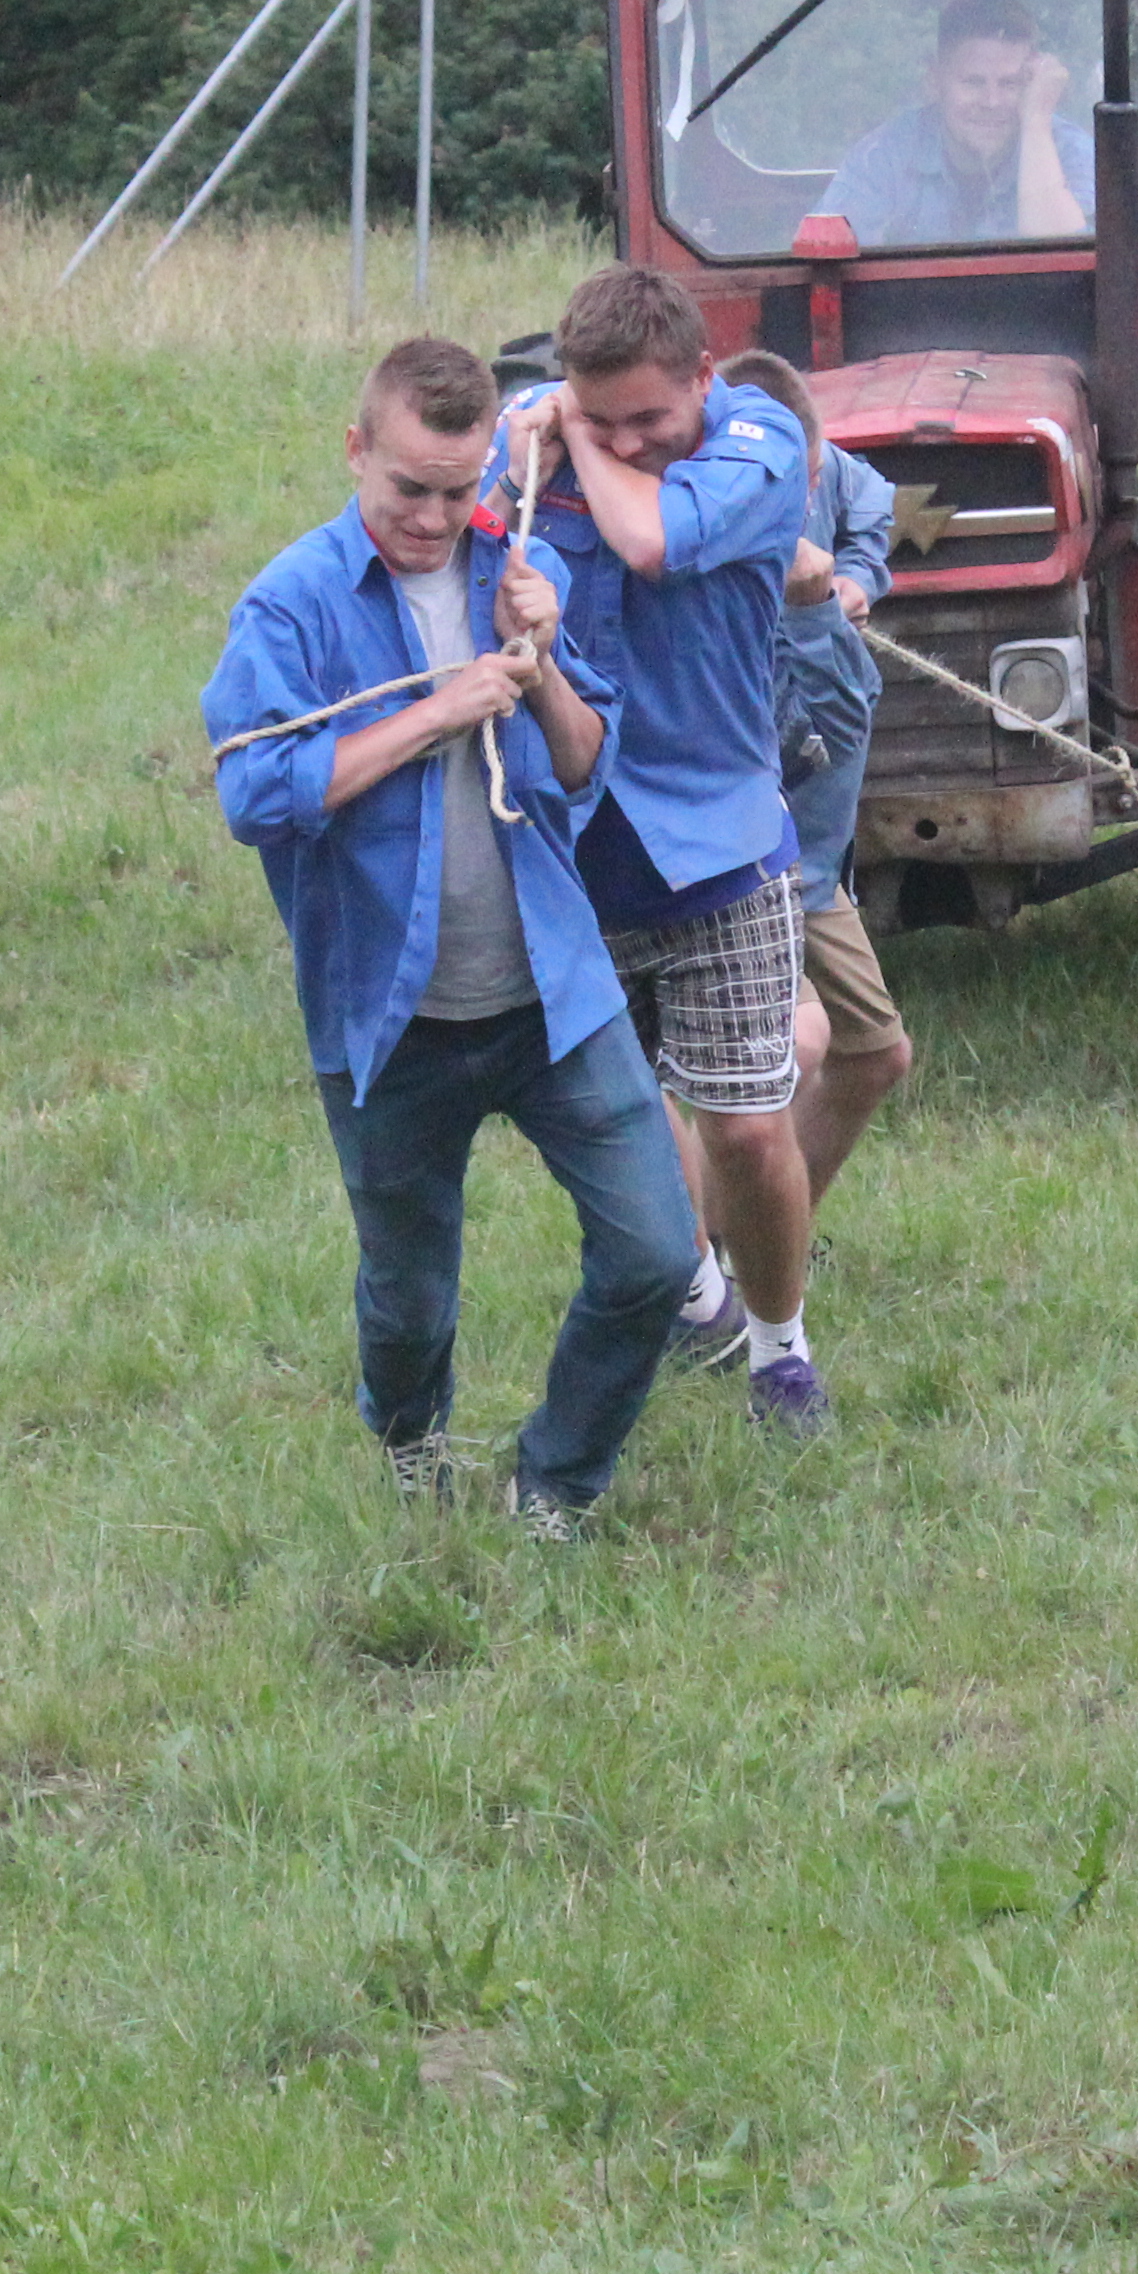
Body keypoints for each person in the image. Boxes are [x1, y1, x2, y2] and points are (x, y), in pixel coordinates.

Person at [201, 336, 689, 1539]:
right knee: (410, 1304)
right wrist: (438, 713)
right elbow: (254, 796)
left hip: (552, 997)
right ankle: (413, 1457)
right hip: (390, 1017)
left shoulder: (512, 566)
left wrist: (542, 669)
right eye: (408, 487)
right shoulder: (294, 602)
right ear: (356, 451)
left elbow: (583, 767)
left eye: (458, 487)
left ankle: (555, 1486)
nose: (433, 515)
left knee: (656, 1253)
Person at [497, 266, 839, 1434]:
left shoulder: (759, 443)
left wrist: (577, 434)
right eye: (609, 417)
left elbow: (648, 540)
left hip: (720, 838)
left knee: (746, 1125)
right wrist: (539, 427)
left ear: (705, 375)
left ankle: (781, 1350)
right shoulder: (526, 443)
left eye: (652, 417)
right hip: (571, 844)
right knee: (615, 1129)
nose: (636, 442)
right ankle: (699, 1295)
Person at [728, 352, 916, 1228]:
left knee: (874, 1053)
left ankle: (766, 1234)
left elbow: (870, 494)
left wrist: (857, 574)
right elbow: (833, 720)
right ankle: (705, 1267)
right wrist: (807, 613)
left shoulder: (828, 472)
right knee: (787, 1054)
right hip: (737, 864)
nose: (800, 501)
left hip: (812, 858)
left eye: (806, 481)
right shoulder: (699, 534)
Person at [814, 0, 1092, 248]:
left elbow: (1072, 269)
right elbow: (821, 256)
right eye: (973, 82)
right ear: (935, 81)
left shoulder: (1070, 151)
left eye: (1010, 84)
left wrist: (1036, 123)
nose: (991, 102)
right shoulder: (885, 157)